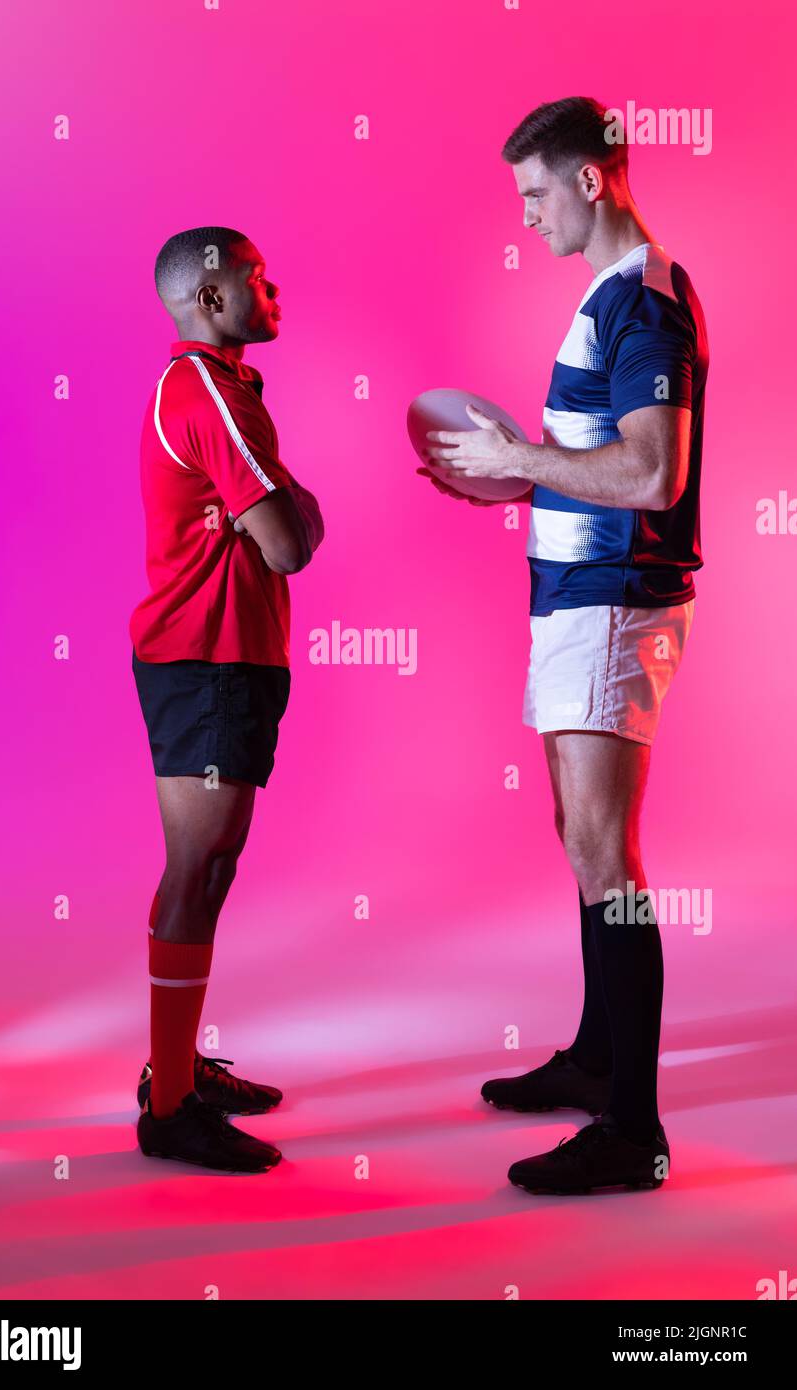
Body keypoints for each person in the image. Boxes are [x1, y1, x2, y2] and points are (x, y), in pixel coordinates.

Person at [422, 97, 708, 1194]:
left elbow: (650, 476)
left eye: (535, 192)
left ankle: (633, 1131)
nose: (527, 216)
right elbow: (585, 460)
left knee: (607, 860)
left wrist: (522, 459)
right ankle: (599, 1060)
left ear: (590, 181)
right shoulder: (605, 297)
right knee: (580, 837)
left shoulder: (645, 302)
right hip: (573, 603)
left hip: (615, 605)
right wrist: (500, 472)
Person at [130, 226, 324, 1172]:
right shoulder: (203, 386)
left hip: (234, 656)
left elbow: (281, 525)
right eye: (257, 277)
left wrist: (285, 507)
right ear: (209, 299)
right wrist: (290, 505)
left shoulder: (231, 389)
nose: (273, 286)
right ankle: (169, 1108)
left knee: (212, 869)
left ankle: (177, 1071)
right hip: (202, 656)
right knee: (197, 870)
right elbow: (290, 538)